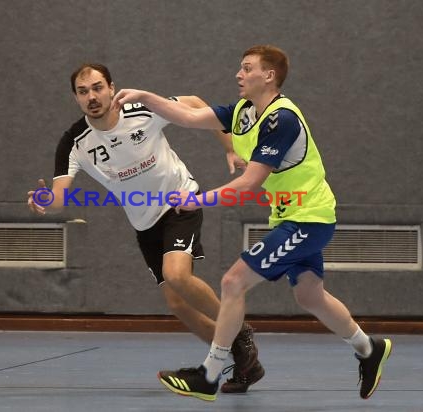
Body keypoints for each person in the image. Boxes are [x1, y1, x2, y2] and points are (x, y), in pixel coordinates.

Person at [113, 45, 392, 402]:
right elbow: (187, 117)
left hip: (309, 218)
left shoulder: (282, 118)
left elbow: (249, 184)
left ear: (269, 75)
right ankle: (369, 348)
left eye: (247, 69)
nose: (238, 75)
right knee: (309, 295)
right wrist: (145, 96)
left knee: (233, 281)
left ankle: (209, 375)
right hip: (291, 216)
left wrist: (196, 200)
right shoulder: (245, 112)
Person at [27, 63, 264, 393]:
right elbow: (59, 197)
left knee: (178, 274)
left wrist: (229, 148)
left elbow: (195, 103)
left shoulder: (141, 109)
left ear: (112, 88)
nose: (92, 97)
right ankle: (243, 357)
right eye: (83, 92)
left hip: (181, 200)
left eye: (97, 87)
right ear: (76, 98)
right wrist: (43, 201)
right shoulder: (74, 143)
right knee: (177, 303)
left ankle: (240, 332)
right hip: (144, 222)